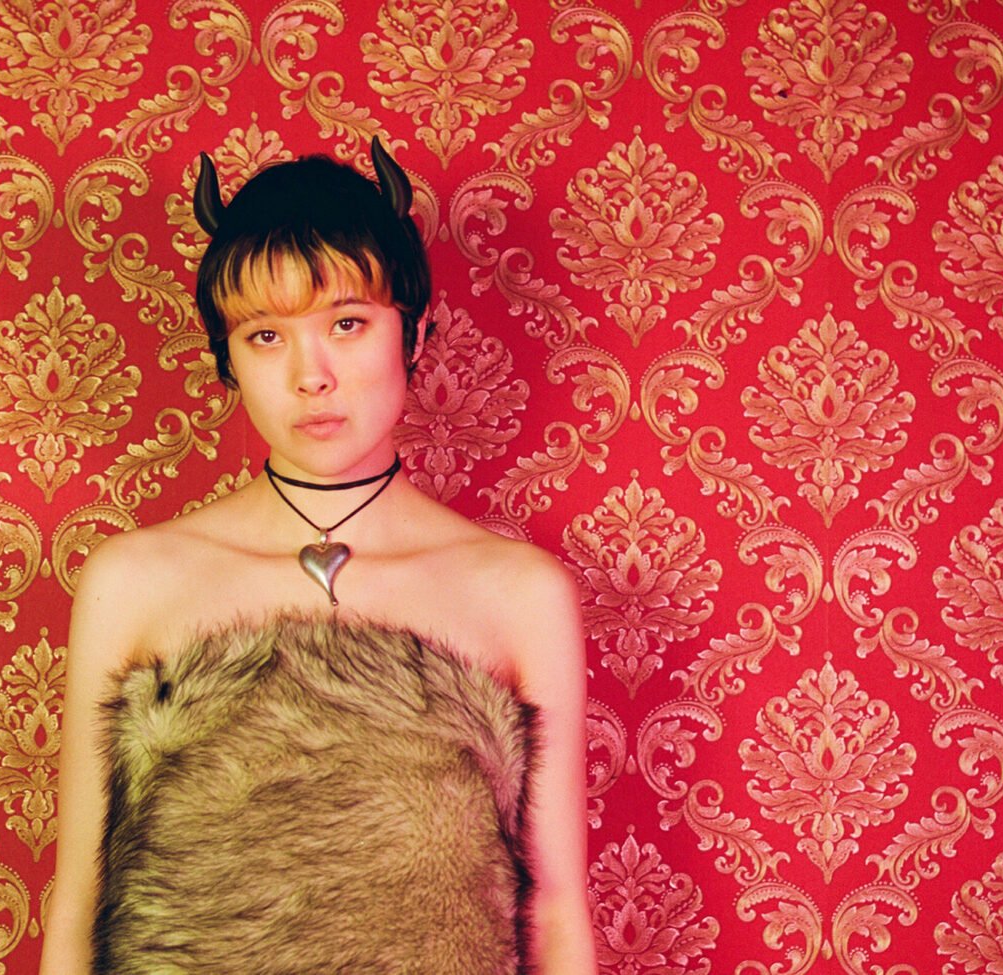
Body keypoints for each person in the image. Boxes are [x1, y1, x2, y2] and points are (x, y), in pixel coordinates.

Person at [41, 137, 597, 974]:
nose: (312, 375)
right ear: (228, 358)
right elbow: (80, 902)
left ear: (413, 334)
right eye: (266, 334)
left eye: (346, 323)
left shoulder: (518, 591)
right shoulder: (134, 581)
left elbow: (554, 915)